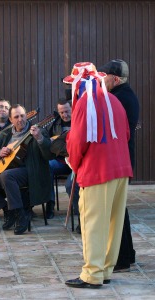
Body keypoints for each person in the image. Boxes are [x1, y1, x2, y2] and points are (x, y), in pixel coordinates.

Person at [63, 62, 132, 288]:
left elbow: (77, 140)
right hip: (120, 170)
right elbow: (126, 134)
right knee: (113, 222)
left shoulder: (85, 103)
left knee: (93, 223)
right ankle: (105, 269)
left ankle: (92, 274)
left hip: (97, 171)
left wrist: (73, 163)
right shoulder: (115, 101)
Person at [0, 104, 53, 235]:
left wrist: (40, 139)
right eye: (16, 117)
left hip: (30, 172)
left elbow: (49, 155)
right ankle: (7, 210)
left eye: (22, 116)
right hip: (8, 170)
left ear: (26, 116)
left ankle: (20, 214)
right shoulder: (6, 133)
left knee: (7, 175)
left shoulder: (38, 131)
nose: (20, 119)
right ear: (10, 120)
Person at [98, 59, 139, 272]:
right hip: (123, 160)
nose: (100, 80)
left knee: (116, 212)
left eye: (103, 76)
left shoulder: (118, 98)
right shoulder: (124, 95)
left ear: (114, 78)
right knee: (119, 209)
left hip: (119, 160)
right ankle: (127, 255)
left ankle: (121, 259)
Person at [46, 98, 72, 219]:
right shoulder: (55, 124)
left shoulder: (81, 121)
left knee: (70, 184)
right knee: (48, 166)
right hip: (62, 161)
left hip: (78, 162)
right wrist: (50, 141)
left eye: (67, 111)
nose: (64, 115)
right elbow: (47, 140)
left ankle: (77, 206)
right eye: (61, 112)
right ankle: (50, 204)